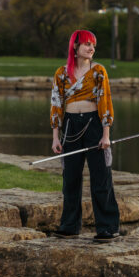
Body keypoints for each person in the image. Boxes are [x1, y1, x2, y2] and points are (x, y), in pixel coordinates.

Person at [50, 30, 120, 242]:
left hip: (94, 126)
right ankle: (69, 226)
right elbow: (56, 103)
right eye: (87, 44)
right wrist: (55, 137)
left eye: (93, 45)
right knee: (70, 179)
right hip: (70, 127)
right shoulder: (61, 73)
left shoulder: (98, 71)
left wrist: (105, 134)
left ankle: (106, 227)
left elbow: (105, 101)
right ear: (75, 47)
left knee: (101, 178)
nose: (92, 48)